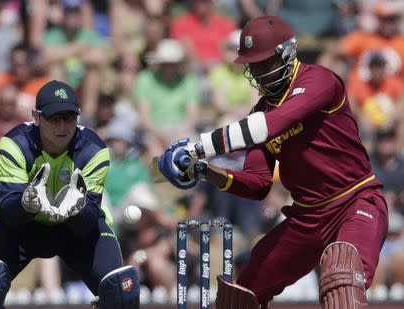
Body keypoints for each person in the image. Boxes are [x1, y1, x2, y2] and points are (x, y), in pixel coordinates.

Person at [158, 16, 388, 308]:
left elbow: (272, 125)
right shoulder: (261, 112)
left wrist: (198, 147)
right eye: (253, 66)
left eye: (265, 63)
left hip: (355, 202)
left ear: (287, 53)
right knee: (239, 298)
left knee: (342, 276)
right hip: (307, 218)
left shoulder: (319, 80)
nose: (259, 73)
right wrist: (205, 172)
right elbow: (258, 184)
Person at [0, 80, 140, 309]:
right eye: (54, 118)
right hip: (22, 228)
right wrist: (26, 203)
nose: (62, 127)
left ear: (79, 116)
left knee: (122, 288)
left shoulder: (95, 151)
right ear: (36, 117)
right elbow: (8, 212)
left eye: (69, 118)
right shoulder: (14, 144)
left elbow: (87, 223)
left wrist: (78, 210)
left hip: (75, 230)